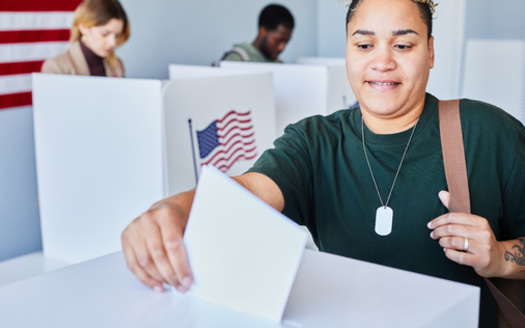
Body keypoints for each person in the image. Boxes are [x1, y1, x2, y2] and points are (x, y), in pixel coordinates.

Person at [121, 0, 525, 327]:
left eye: (403, 45)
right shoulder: (315, 141)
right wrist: (170, 210)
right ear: (347, 50)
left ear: (430, 52)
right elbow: (248, 191)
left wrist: (500, 257)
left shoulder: (487, 132)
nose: (381, 62)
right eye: (364, 45)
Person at [41, 0, 129, 77]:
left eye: (117, 35)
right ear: (83, 28)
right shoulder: (56, 67)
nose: (112, 42)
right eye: (104, 34)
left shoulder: (117, 65)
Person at [219, 4, 294, 63]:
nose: (282, 48)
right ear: (262, 31)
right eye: (278, 40)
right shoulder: (237, 59)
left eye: (286, 42)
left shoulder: (280, 65)